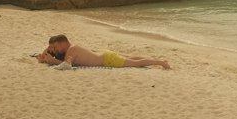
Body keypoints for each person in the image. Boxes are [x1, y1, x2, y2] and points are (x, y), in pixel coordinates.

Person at [36, 33, 170, 70]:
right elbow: (48, 53)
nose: (54, 50)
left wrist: (52, 61)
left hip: (108, 60)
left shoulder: (72, 50)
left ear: (61, 43)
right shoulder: (72, 48)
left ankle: (160, 62)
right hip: (106, 56)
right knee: (132, 59)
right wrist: (46, 54)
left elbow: (65, 65)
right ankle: (156, 60)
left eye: (55, 47)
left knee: (135, 63)